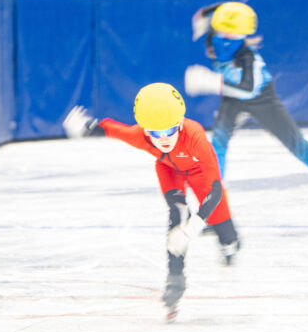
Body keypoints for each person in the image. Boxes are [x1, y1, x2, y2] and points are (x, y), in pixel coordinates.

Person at [183, 1, 308, 219]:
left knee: (298, 146)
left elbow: (247, 90)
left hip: (260, 98)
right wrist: (203, 14)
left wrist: (211, 82)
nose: (224, 40)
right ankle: (218, 209)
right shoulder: (213, 34)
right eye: (221, 33)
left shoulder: (249, 58)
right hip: (232, 95)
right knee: (217, 147)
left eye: (232, 37)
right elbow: (210, 14)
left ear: (243, 37)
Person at [62, 82, 241, 319]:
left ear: (180, 124)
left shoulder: (194, 135)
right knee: (176, 217)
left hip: (199, 171)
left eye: (171, 130)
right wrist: (86, 126)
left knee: (223, 225)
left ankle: (228, 241)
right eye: (157, 133)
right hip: (169, 169)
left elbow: (215, 190)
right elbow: (111, 129)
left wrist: (194, 227)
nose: (165, 138)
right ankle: (175, 280)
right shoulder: (140, 136)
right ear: (146, 131)